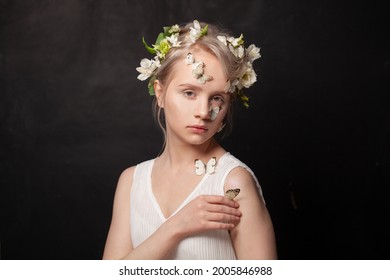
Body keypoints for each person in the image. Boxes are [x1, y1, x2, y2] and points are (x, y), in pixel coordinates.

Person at [102, 20, 277, 260]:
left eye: (217, 98)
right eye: (189, 93)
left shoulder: (233, 183)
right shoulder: (132, 181)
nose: (204, 112)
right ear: (160, 93)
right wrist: (176, 227)